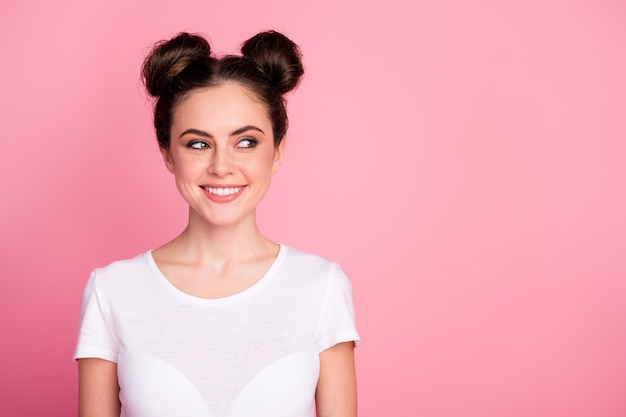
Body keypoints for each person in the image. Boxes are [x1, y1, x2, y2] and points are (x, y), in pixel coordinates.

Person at [74, 30, 360, 417]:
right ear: (168, 154)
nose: (222, 166)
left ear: (277, 152)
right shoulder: (112, 291)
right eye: (197, 143)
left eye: (245, 142)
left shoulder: (321, 286)